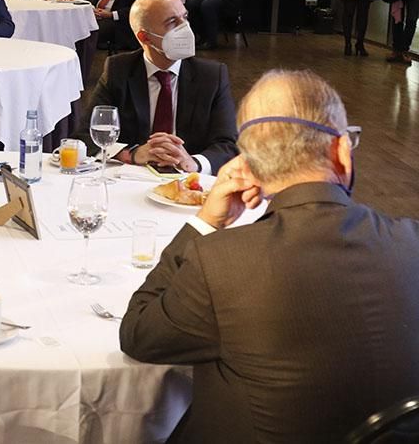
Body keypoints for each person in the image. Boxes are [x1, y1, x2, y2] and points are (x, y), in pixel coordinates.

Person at [120, 69, 419, 442]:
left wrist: (204, 223)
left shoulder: (220, 262)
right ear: (342, 151)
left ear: (251, 166)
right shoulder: (412, 241)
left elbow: (138, 335)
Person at [76, 0, 237, 174]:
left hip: (188, 183)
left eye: (185, 18)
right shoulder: (119, 70)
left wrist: (193, 162)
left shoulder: (211, 75)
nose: (184, 28)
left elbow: (228, 145)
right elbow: (86, 135)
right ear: (144, 37)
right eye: (172, 22)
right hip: (133, 178)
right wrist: (132, 153)